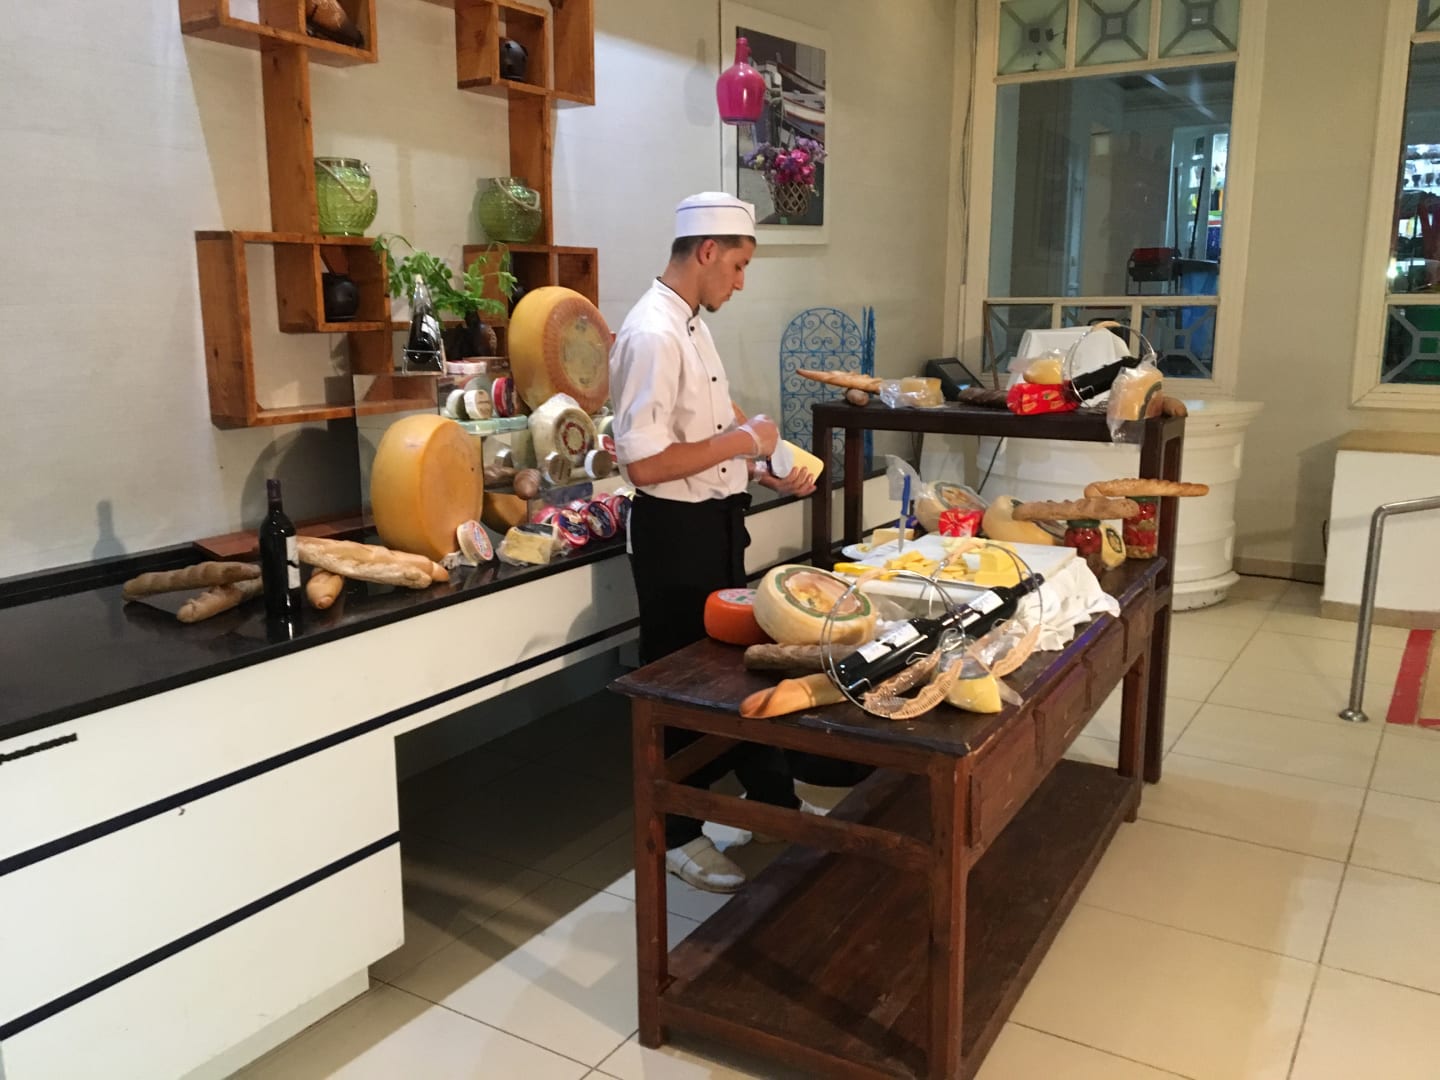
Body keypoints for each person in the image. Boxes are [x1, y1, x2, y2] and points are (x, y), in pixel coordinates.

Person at [609, 192, 817, 893]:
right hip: (675, 537)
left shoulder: (691, 323)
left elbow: (704, 433)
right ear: (706, 252)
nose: (741, 281)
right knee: (681, 683)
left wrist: (760, 465)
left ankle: (774, 805)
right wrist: (743, 442)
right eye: (738, 265)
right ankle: (676, 834)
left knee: (736, 669)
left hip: (718, 523)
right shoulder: (652, 333)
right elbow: (644, 464)